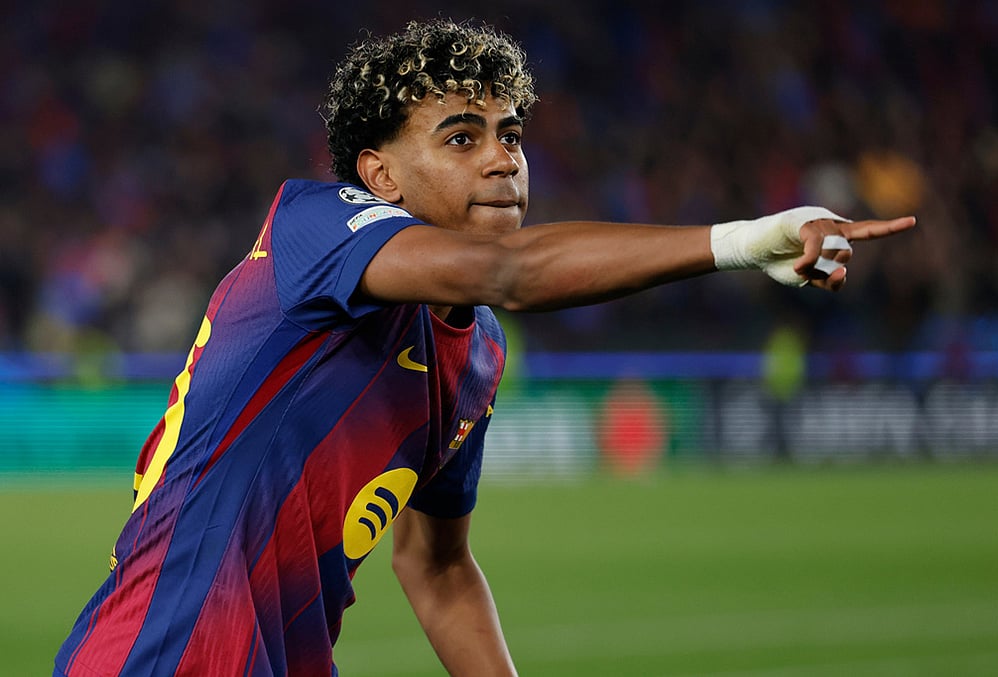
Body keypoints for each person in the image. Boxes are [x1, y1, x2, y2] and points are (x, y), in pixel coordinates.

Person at [54, 18, 915, 677]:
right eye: (462, 138)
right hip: (160, 653)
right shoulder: (312, 226)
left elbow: (438, 567)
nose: (503, 160)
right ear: (380, 176)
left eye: (511, 135)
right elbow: (514, 269)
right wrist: (744, 239)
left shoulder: (474, 355)